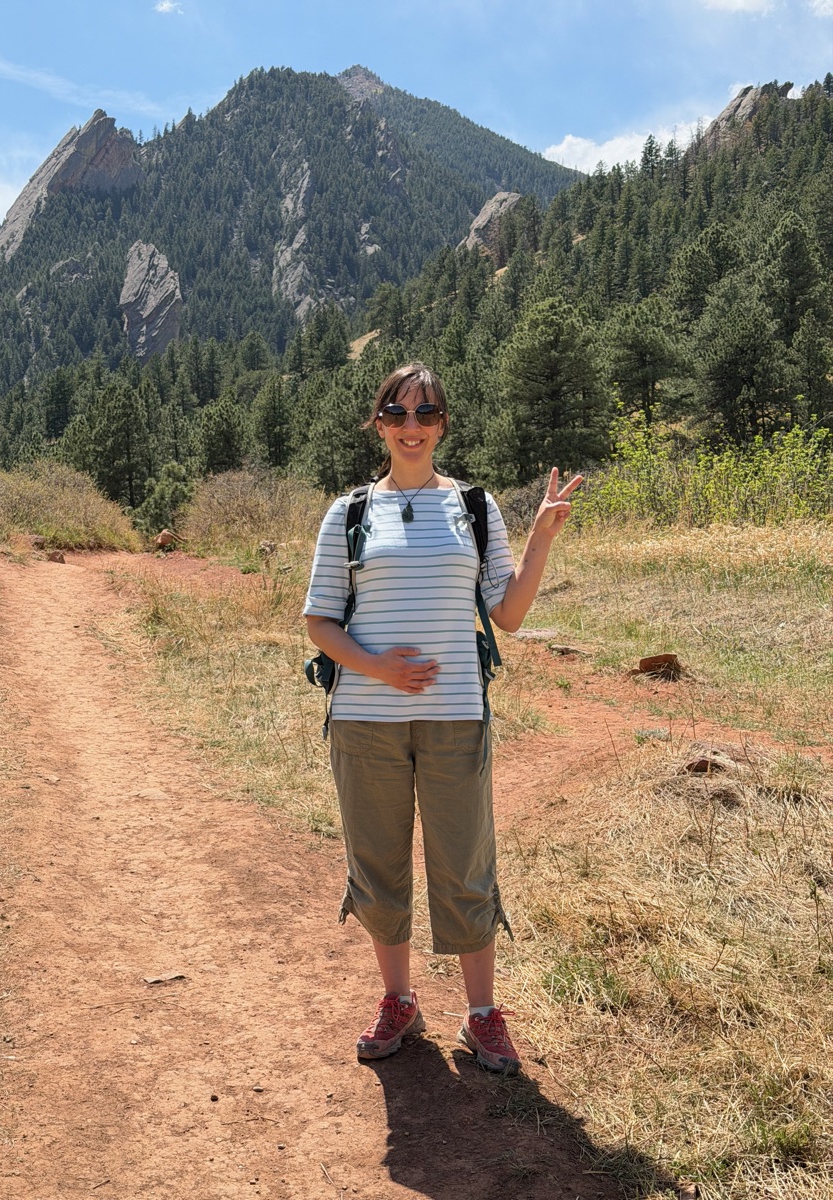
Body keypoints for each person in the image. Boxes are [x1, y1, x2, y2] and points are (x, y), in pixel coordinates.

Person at [304, 362, 582, 1074]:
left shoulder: (478, 509)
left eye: (426, 415)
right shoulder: (350, 514)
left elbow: (509, 616)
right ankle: (399, 999)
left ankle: (482, 1016)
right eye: (397, 414)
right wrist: (380, 669)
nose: (411, 428)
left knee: (465, 864)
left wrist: (544, 535)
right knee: (378, 862)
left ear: (443, 424)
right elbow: (319, 624)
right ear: (379, 424)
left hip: (458, 713)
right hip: (364, 719)